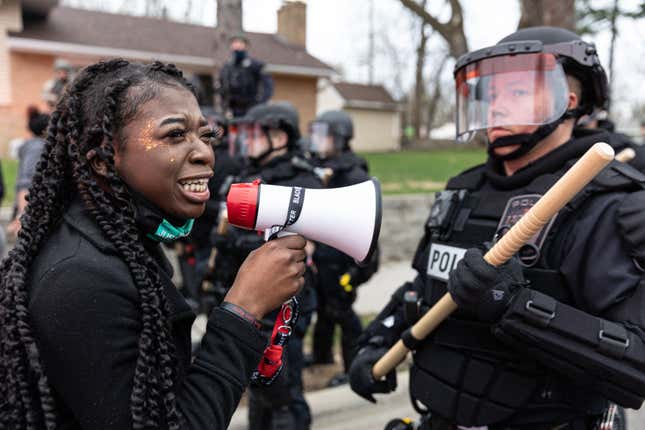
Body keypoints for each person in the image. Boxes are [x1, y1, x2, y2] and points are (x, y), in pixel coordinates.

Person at [349, 27, 645, 430]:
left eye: (519, 93)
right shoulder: (462, 190)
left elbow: (636, 363)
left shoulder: (610, 202)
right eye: (491, 95)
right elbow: (424, 286)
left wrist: (513, 304)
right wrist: (377, 341)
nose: (497, 108)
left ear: (569, 101)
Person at [0, 59, 309, 429]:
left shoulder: (122, 239)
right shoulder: (79, 279)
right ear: (103, 158)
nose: (204, 153)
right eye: (175, 135)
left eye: (205, 135)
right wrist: (244, 308)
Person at [212, 101, 321, 430]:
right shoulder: (246, 176)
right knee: (259, 387)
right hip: (251, 303)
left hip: (285, 307)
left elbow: (303, 247)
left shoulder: (303, 181)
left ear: (280, 136)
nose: (249, 142)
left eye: (256, 135)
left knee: (283, 388)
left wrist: (241, 241)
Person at [307, 110, 380, 387]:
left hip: (344, 264)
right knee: (324, 311)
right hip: (323, 259)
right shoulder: (320, 170)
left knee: (342, 314)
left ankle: (354, 367)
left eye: (322, 135)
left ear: (339, 138)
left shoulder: (354, 175)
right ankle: (321, 357)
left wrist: (357, 270)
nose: (316, 141)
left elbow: (367, 228)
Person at [7, 107, 50, 239]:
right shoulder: (36, 148)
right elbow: (25, 183)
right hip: (30, 216)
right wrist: (21, 216)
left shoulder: (33, 146)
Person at [217, 34, 274, 118]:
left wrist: (261, 104)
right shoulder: (226, 68)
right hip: (232, 111)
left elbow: (268, 86)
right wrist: (224, 107)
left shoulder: (255, 65)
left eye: (240, 43)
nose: (237, 46)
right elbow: (222, 89)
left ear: (246, 46)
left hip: (252, 109)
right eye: (234, 43)